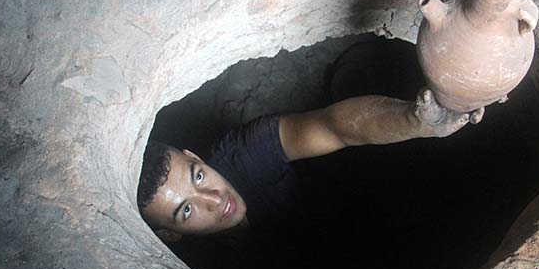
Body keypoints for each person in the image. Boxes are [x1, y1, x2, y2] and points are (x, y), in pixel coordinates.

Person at [137, 89, 484, 242]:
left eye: (198, 175)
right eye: (185, 211)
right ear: (169, 238)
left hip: (340, 220)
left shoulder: (243, 154)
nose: (214, 198)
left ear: (195, 157)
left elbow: (334, 127)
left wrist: (417, 121)